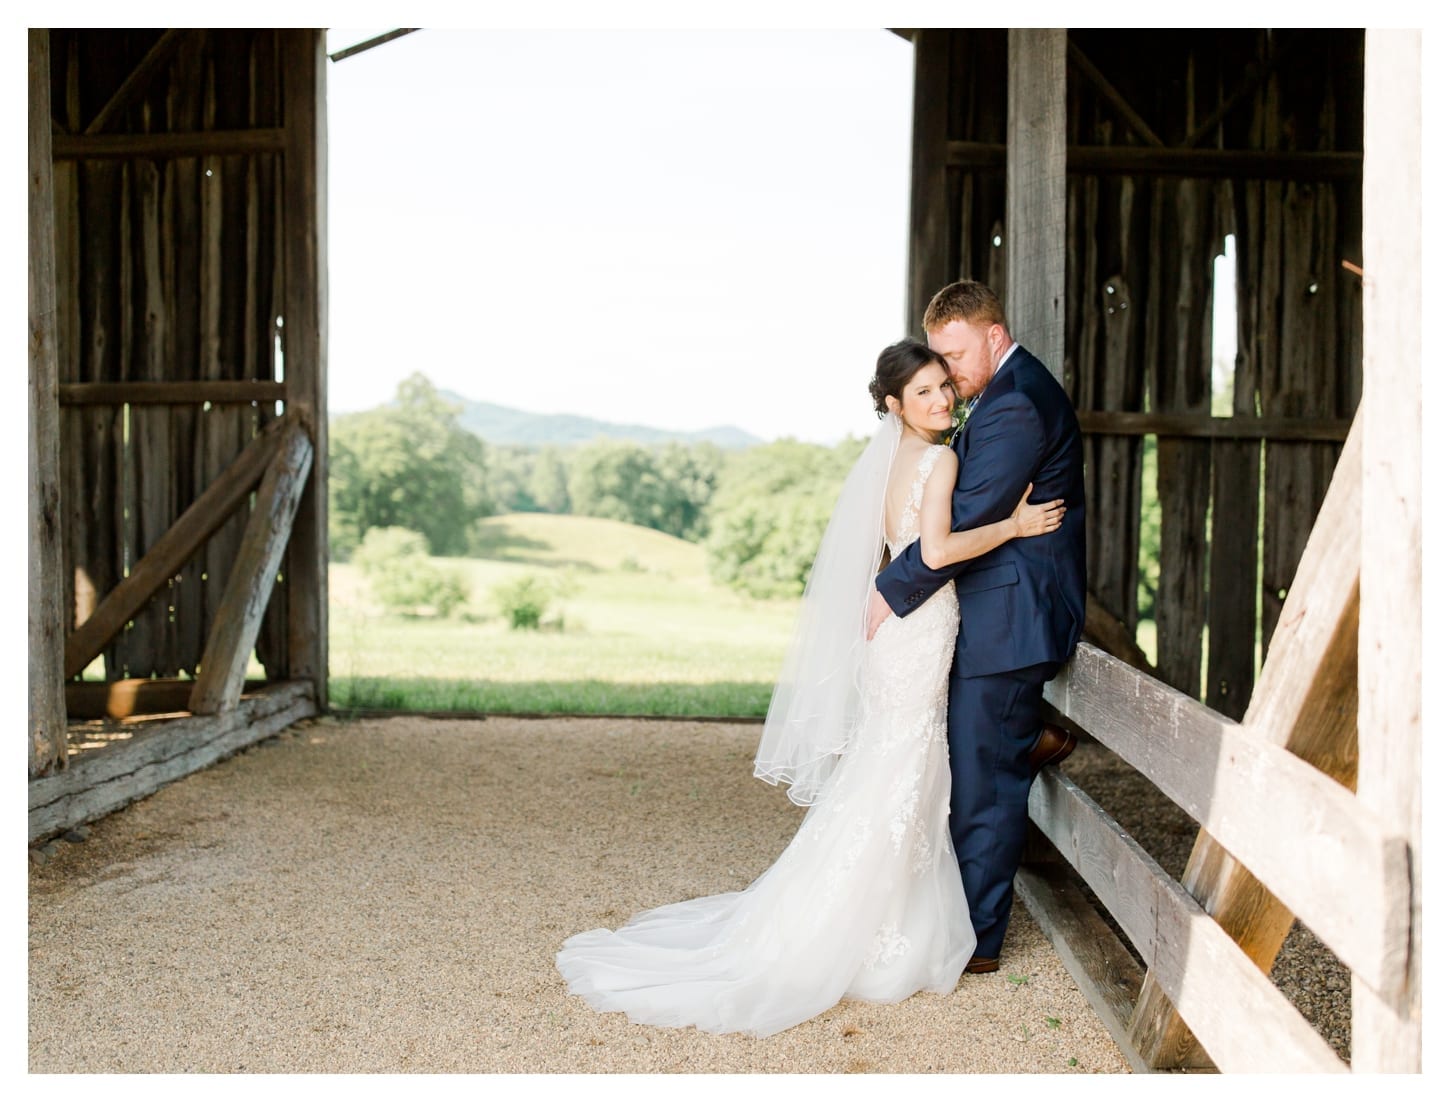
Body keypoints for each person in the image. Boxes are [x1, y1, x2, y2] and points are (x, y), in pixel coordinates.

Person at [555, 340, 1066, 1037]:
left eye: (945, 386)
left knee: (891, 766)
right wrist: (1016, 523)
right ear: (894, 405)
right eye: (924, 392)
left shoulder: (889, 460)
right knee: (907, 767)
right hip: (920, 629)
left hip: (896, 633)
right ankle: (876, 927)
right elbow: (939, 552)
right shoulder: (942, 458)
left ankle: (856, 913)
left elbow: (899, 546)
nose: (943, 400)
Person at [868, 280, 1087, 976]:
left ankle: (977, 942)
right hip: (988, 614)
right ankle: (1029, 740)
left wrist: (892, 587)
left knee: (984, 781)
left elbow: (965, 514)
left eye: (957, 355)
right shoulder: (994, 393)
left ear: (995, 334)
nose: (949, 374)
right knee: (976, 758)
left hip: (1009, 621)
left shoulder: (1016, 401)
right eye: (938, 359)